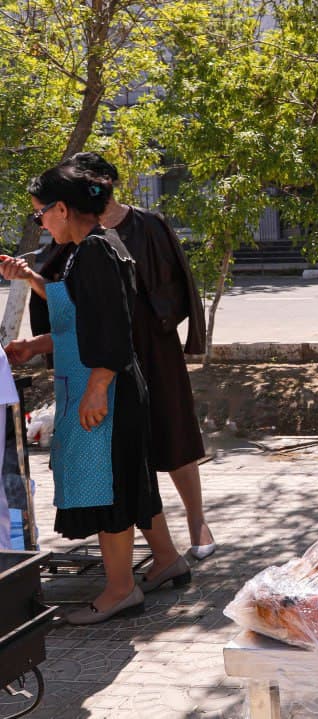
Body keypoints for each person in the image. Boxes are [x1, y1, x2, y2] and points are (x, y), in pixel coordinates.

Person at [2, 164, 189, 625]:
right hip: (98, 383)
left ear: (63, 209)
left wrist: (98, 389)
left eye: (41, 214)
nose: (40, 223)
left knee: (109, 489)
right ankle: (167, 560)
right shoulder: (89, 250)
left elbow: (112, 328)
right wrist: (32, 306)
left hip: (102, 387)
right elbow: (79, 317)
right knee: (129, 479)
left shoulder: (96, 254)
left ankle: (121, 589)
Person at [32, 153, 215, 562]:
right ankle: (162, 555)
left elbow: (177, 282)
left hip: (151, 344)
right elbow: (66, 296)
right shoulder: (75, 236)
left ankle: (195, 520)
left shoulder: (140, 227)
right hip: (106, 353)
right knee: (126, 454)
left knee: (173, 431)